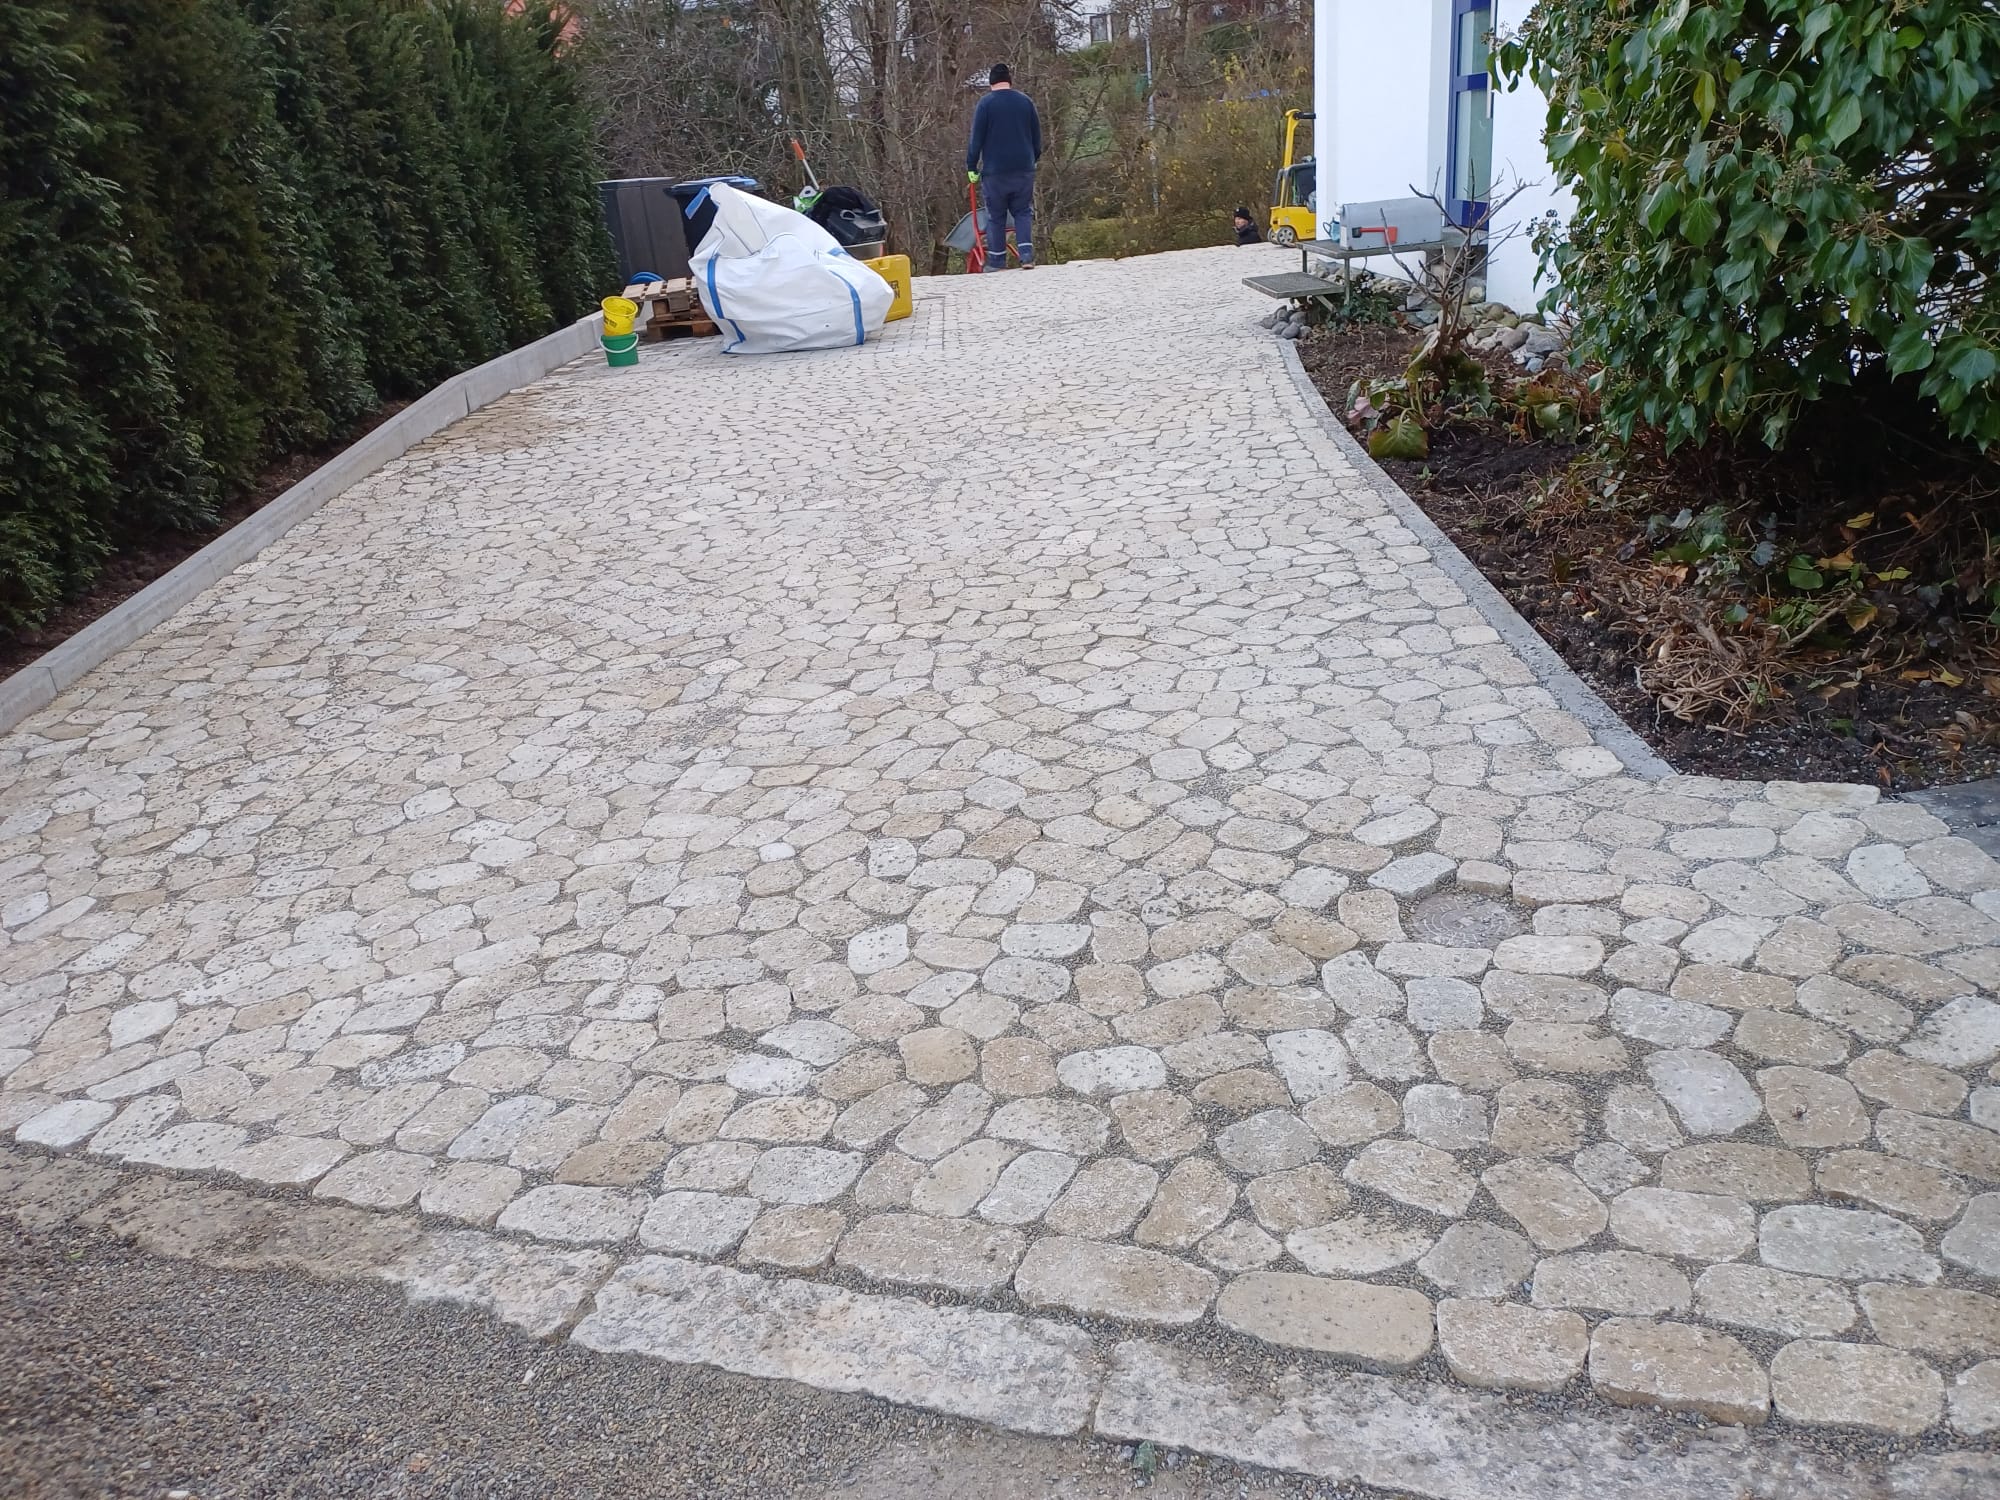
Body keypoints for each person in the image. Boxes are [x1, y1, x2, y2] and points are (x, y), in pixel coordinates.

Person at [966, 63, 1041, 270]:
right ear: (1009, 81)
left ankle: (997, 261)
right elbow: (1036, 137)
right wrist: (1032, 159)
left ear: (991, 83)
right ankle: (1026, 256)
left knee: (996, 216)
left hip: (995, 172)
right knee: (1023, 212)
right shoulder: (1025, 102)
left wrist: (971, 166)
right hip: (1023, 169)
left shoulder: (985, 104)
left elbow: (976, 139)